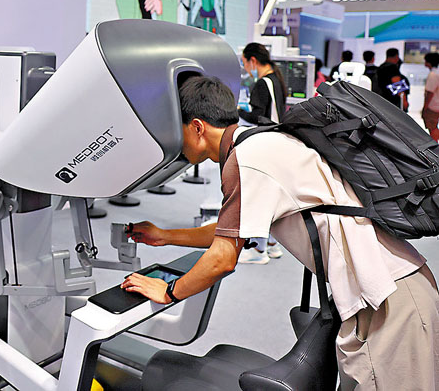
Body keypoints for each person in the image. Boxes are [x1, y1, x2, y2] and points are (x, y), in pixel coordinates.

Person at [123, 76, 439, 390]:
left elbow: (222, 259)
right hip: (391, 289)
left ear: (196, 127)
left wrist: (169, 291)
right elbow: (229, 233)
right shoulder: (260, 142)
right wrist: (165, 236)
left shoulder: (247, 159)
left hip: (388, 300)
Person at [237, 43, 286, 263]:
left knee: (258, 196)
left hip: (266, 146)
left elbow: (258, 117)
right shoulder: (277, 79)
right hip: (278, 144)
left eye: (245, 63)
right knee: (272, 197)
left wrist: (238, 112)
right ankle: (273, 245)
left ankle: (258, 250)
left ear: (253, 60)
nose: (246, 68)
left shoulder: (262, 84)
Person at [423, 52, 439, 141]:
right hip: (436, 105)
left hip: (432, 106)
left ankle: (435, 145)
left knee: (432, 127)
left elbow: (430, 93)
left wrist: (425, 107)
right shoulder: (436, 73)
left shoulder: (433, 75)